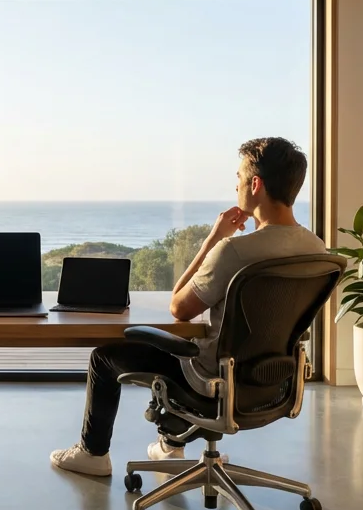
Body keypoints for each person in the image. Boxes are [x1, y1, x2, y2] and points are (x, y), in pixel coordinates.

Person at [50, 137, 327, 476]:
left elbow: (179, 307)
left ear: (256, 184)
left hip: (213, 379)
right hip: (274, 380)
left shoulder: (234, 252)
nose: (236, 183)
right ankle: (171, 446)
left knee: (106, 357)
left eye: (239, 176)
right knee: (184, 354)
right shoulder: (317, 250)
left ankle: (92, 455)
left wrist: (214, 238)